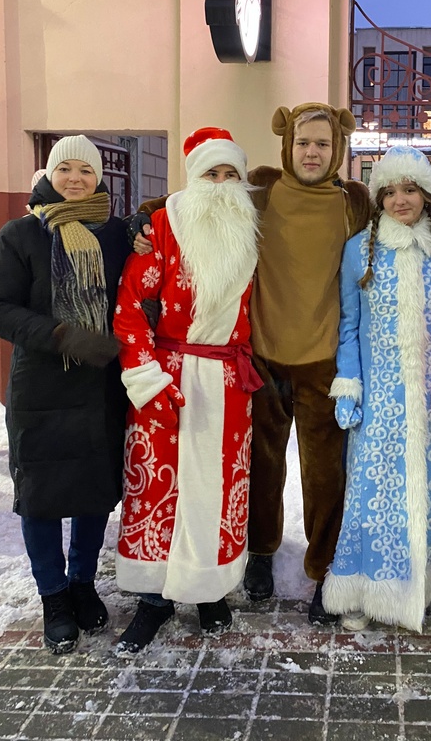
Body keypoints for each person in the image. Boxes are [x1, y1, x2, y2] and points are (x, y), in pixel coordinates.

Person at [132, 103, 370, 623]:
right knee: (262, 465)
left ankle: (324, 566)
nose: (312, 152)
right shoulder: (261, 188)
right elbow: (195, 199)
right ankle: (260, 551)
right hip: (259, 358)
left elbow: (402, 218)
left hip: (323, 360)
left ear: (338, 149)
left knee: (325, 474)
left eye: (323, 144)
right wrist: (143, 219)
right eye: (303, 142)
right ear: (287, 144)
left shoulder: (354, 202)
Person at [112, 127, 261, 652]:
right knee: (162, 488)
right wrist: (146, 376)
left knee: (217, 488)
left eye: (230, 174)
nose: (220, 184)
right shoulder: (163, 225)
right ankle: (153, 600)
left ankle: (208, 590)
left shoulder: (249, 229)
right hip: (168, 375)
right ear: (193, 178)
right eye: (210, 174)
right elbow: (130, 304)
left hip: (228, 380)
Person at [0, 135, 129, 654]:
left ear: (99, 178)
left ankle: (83, 583)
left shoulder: (116, 234)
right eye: (64, 169)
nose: (75, 179)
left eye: (86, 171)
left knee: (94, 492)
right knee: (41, 498)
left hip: (99, 387)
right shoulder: (20, 234)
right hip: (41, 387)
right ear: (48, 174)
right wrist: (62, 336)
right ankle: (53, 596)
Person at [322, 146, 431, 631]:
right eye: (389, 192)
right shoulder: (358, 250)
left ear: (426, 194)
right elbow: (348, 325)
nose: (400, 200)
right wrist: (350, 384)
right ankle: (367, 590)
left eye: (409, 190)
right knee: (374, 492)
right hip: (382, 399)